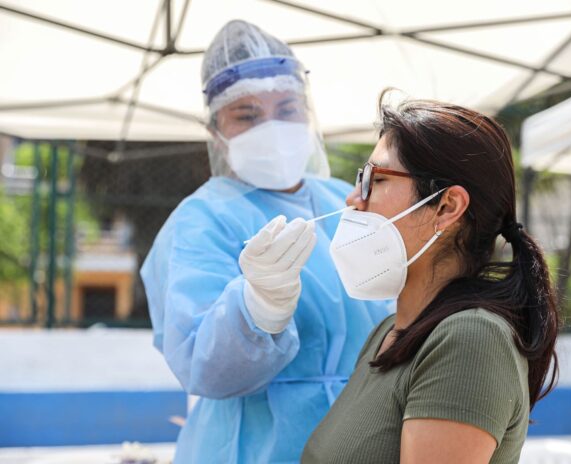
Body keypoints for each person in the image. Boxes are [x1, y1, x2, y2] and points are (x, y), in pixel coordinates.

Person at [140, 20, 390, 463]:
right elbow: (204, 369)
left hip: (361, 439)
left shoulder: (346, 201)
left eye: (287, 108)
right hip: (252, 448)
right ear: (216, 131)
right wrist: (257, 310)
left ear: (307, 113)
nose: (272, 128)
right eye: (247, 115)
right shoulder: (200, 221)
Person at [302, 96, 560, 464]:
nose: (353, 198)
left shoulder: (470, 339)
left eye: (376, 179)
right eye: (361, 178)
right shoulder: (388, 333)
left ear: (447, 207)